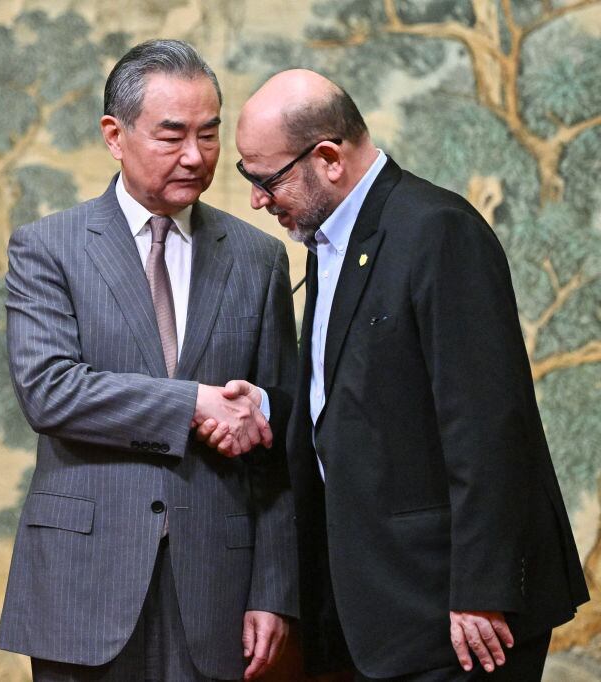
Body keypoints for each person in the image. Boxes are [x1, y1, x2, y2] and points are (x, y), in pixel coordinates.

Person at [217, 68, 589, 681]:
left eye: (265, 179)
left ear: (329, 158)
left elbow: (489, 422)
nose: (257, 198)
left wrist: (480, 588)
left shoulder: (437, 231)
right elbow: (362, 401)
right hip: (379, 607)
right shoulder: (331, 241)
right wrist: (268, 406)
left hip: (457, 612)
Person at [0, 39, 299, 681]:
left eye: (210, 135)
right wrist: (193, 403)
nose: (196, 156)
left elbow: (276, 437)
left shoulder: (257, 258)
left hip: (219, 584)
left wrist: (273, 590)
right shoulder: (48, 248)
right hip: (82, 585)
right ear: (115, 134)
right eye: (172, 136)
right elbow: (49, 391)